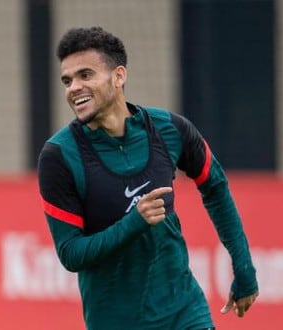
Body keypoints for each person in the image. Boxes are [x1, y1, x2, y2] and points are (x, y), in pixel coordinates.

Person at [37, 26, 258, 330]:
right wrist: (134, 221)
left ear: (119, 76)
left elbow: (215, 188)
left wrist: (243, 266)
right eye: (67, 80)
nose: (73, 87)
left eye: (85, 75)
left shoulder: (170, 129)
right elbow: (71, 254)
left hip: (185, 314)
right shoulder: (59, 156)